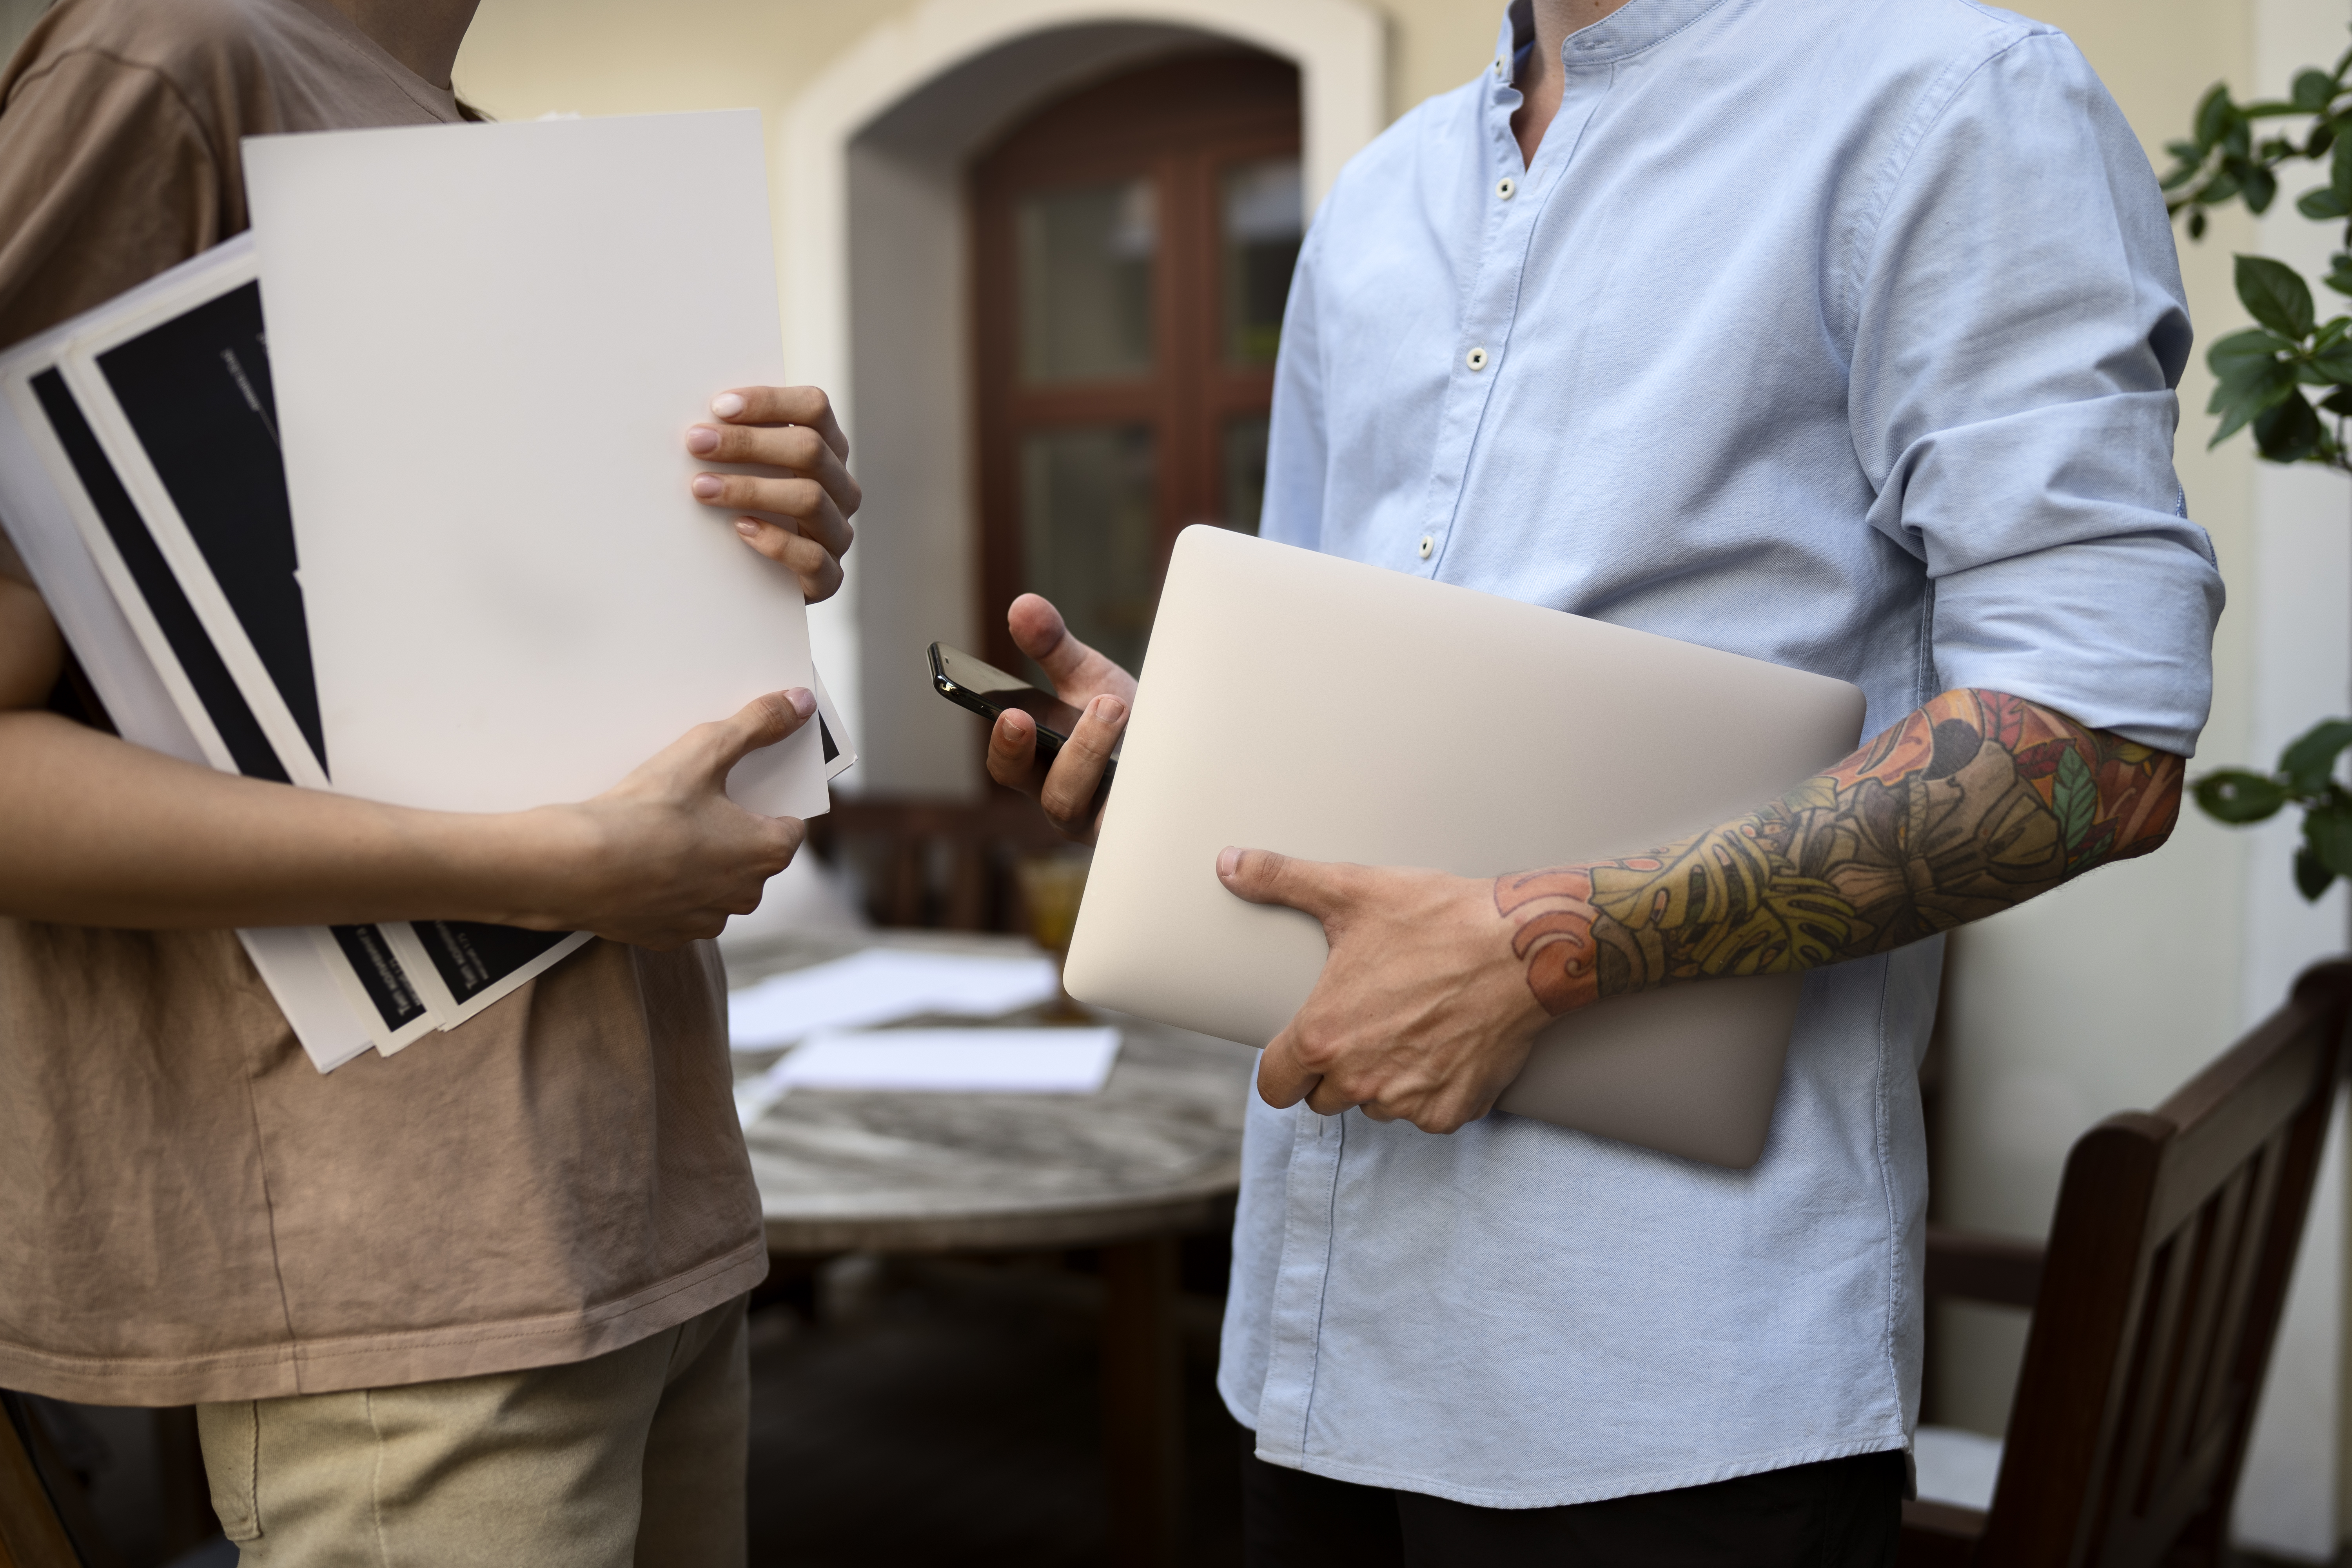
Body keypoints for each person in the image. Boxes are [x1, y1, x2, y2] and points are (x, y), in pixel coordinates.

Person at [984, 0, 2221, 1561]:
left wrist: (1546, 942)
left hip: (1674, 1398)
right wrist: (1186, 760)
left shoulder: (1951, 99)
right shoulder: (1374, 199)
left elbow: (2097, 744)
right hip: (1305, 1346)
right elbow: (1343, 677)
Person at [0, 1, 857, 1563]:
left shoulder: (454, 135)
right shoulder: (169, 68)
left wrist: (756, 539)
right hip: (396, 1279)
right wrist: (531, 865)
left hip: (650, 1209)